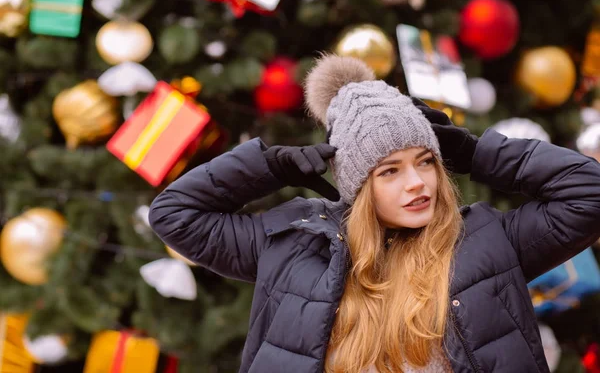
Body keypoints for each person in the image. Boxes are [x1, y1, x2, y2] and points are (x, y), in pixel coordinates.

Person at [148, 55, 600, 373]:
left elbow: (589, 193)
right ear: (358, 187)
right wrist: (267, 167)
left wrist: (477, 151)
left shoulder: (487, 240)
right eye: (390, 171)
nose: (418, 182)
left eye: (426, 161)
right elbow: (175, 214)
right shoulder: (294, 246)